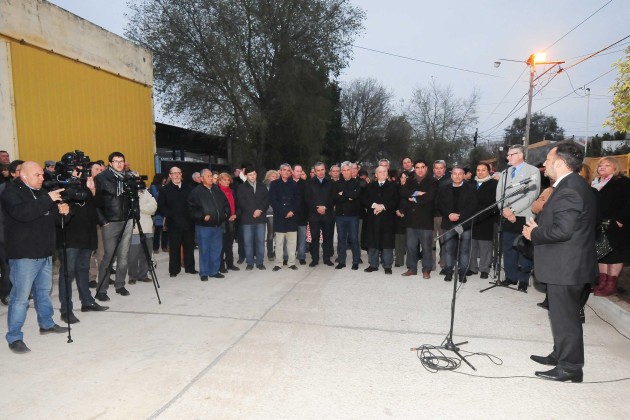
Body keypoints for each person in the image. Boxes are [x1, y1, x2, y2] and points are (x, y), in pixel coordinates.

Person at [523, 142, 597, 382]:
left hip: (567, 266)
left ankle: (571, 368)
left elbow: (563, 231)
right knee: (560, 315)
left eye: (547, 159)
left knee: (566, 319)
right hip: (565, 264)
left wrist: (534, 233)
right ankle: (560, 354)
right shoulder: (571, 184)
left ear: (561, 163)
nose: (544, 163)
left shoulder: (570, 189)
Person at [2, 161, 70, 353]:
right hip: (24, 255)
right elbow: (24, 213)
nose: (42, 178)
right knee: (20, 298)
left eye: (42, 175)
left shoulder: (41, 193)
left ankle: (46, 324)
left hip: (45, 253)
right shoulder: (11, 193)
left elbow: (53, 219)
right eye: (37, 175)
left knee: (44, 292)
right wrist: (47, 200)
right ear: (24, 176)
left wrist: (64, 213)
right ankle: (14, 337)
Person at [57, 165, 109, 324]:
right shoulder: (61, 185)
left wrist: (92, 190)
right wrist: (70, 183)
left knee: (83, 270)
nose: (80, 174)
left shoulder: (88, 185)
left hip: (87, 236)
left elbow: (99, 203)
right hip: (70, 237)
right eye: (77, 170)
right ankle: (66, 309)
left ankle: (87, 301)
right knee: (68, 273)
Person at [495, 145, 540, 292]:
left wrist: (512, 210)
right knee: (508, 248)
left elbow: (531, 195)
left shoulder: (532, 171)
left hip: (523, 215)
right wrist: (504, 211)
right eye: (508, 155)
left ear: (520, 155)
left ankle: (523, 280)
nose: (508, 157)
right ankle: (510, 277)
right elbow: (499, 194)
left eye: (511, 154)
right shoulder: (505, 173)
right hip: (507, 216)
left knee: (524, 248)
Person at [93, 152, 135, 301]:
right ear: (110, 163)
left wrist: (133, 216)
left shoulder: (128, 178)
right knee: (108, 257)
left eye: (121, 161)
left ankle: (120, 285)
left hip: (127, 220)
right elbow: (95, 204)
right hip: (110, 222)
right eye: (116, 161)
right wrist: (103, 221)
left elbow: (133, 200)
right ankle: (101, 289)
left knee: (123, 256)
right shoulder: (101, 178)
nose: (119, 164)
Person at [591, 156, 630, 297]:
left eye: (607, 165)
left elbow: (628, 203)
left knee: (614, 256)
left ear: (615, 167)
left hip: (616, 226)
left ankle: (611, 285)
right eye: (600, 165)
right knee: (601, 255)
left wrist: (620, 220)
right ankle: (602, 282)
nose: (602, 167)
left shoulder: (623, 182)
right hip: (598, 225)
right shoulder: (595, 183)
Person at [188, 169, 231, 280]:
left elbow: (226, 204)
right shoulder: (196, 192)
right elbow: (191, 209)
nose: (211, 178)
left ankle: (214, 271)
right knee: (204, 250)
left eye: (211, 176)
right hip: (204, 227)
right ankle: (204, 273)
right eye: (208, 176)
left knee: (216, 250)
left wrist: (225, 214)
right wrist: (202, 216)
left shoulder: (217, 190)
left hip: (217, 225)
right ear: (202, 178)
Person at [437, 166, 477, 282]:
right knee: (449, 249)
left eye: (460, 174)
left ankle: (462, 273)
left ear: (464, 175)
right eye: (455, 174)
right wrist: (449, 214)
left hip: (465, 223)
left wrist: (459, 216)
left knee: (464, 250)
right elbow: (440, 204)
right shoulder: (444, 188)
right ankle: (448, 272)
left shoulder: (471, 188)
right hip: (448, 222)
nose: (457, 176)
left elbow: (473, 205)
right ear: (451, 175)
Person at [399, 160, 438, 279]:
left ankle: (426, 269)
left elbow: (429, 197)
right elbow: (403, 192)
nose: (420, 170)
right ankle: (412, 268)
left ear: (426, 168)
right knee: (411, 246)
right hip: (411, 219)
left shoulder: (433, 181)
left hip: (425, 219)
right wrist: (417, 193)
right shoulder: (410, 180)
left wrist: (414, 198)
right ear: (414, 169)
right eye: (417, 167)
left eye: (422, 167)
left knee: (426, 247)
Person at [157, 166, 197, 278]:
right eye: (174, 173)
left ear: (181, 175)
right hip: (173, 223)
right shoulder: (164, 190)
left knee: (189, 246)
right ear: (170, 175)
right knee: (174, 247)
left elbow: (193, 205)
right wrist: (171, 215)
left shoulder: (188, 188)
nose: (176, 175)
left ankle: (190, 267)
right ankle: (174, 270)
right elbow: (161, 206)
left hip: (188, 223)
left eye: (178, 173)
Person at [362, 166, 398, 274]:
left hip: (388, 219)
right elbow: (364, 199)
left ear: (387, 174)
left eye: (384, 172)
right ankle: (373, 264)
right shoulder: (369, 186)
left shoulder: (393, 186)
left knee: (387, 242)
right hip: (373, 218)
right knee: (373, 241)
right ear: (376, 175)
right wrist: (374, 205)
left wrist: (382, 207)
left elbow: (395, 200)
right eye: (380, 172)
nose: (382, 173)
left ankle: (387, 266)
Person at [468, 163, 498, 279]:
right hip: (471, 218)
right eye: (478, 170)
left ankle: (484, 269)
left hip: (486, 218)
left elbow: (494, 202)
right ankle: (472, 268)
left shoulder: (493, 184)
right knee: (472, 245)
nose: (480, 172)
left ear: (489, 171)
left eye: (483, 170)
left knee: (485, 246)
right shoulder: (471, 183)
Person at [236, 166, 269, 270]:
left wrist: (260, 210)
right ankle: (249, 263)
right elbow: (241, 202)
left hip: (261, 218)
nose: (252, 176)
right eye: (250, 175)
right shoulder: (241, 187)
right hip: (247, 219)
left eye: (254, 174)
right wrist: (253, 211)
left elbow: (266, 201)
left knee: (260, 241)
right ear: (246, 176)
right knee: (248, 242)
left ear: (256, 174)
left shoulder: (262, 186)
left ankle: (260, 262)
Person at [269, 164, 300, 271]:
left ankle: (291, 263)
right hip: (280, 217)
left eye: (288, 170)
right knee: (279, 243)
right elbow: (273, 200)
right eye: (284, 170)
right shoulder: (274, 184)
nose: (286, 172)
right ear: (280, 171)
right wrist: (284, 212)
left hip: (292, 217)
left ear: (290, 172)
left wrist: (292, 211)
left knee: (292, 243)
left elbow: (298, 200)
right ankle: (278, 263)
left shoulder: (294, 184)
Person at [332, 161, 362, 270]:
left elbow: (355, 195)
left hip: (353, 216)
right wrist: (348, 196)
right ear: (341, 172)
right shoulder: (336, 183)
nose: (345, 172)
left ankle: (356, 261)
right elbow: (335, 197)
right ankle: (341, 261)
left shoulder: (356, 183)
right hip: (340, 216)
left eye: (347, 170)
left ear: (351, 171)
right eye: (343, 170)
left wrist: (343, 193)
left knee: (354, 239)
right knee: (341, 239)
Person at [305, 162, 335, 267]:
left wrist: (325, 207)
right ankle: (315, 259)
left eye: (322, 169)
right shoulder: (309, 183)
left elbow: (333, 198)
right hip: (314, 215)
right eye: (318, 170)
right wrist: (316, 208)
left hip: (328, 215)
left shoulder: (331, 182)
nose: (320, 172)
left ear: (325, 170)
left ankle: (327, 259)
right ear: (315, 171)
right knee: (314, 238)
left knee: (328, 237)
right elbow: (307, 199)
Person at [127, 185, 157, 285]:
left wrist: (139, 208)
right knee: (133, 255)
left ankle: (143, 275)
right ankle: (132, 276)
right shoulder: (128, 193)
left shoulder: (147, 193)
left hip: (147, 228)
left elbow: (153, 208)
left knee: (146, 254)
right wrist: (144, 208)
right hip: (134, 229)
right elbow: (130, 209)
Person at [216, 173, 239, 273]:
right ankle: (221, 266)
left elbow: (237, 205)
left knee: (229, 245)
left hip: (232, 221)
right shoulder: (216, 192)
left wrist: (236, 215)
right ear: (219, 181)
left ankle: (230, 264)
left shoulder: (232, 191)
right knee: (221, 246)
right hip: (222, 221)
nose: (226, 181)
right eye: (224, 180)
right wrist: (227, 216)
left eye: (228, 180)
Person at [292, 164, 308, 265]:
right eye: (297, 171)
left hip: (302, 215)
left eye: (300, 171)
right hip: (290, 215)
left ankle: (302, 256)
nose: (299, 173)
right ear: (292, 171)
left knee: (302, 237)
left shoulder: (305, 184)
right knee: (290, 238)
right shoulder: (288, 182)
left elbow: (307, 199)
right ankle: (288, 256)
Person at [149, 174, 168, 253]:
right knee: (158, 229)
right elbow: (155, 195)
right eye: (164, 178)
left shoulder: (165, 186)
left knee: (165, 230)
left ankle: (164, 246)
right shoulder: (153, 186)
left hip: (165, 210)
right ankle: (155, 247)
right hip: (158, 211)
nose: (165, 180)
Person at [263, 170, 279, 261]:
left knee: (279, 235)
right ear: (268, 177)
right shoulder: (265, 187)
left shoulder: (278, 186)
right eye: (272, 176)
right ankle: (270, 253)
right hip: (270, 213)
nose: (274, 178)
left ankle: (278, 251)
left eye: (276, 176)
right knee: (270, 234)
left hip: (279, 213)